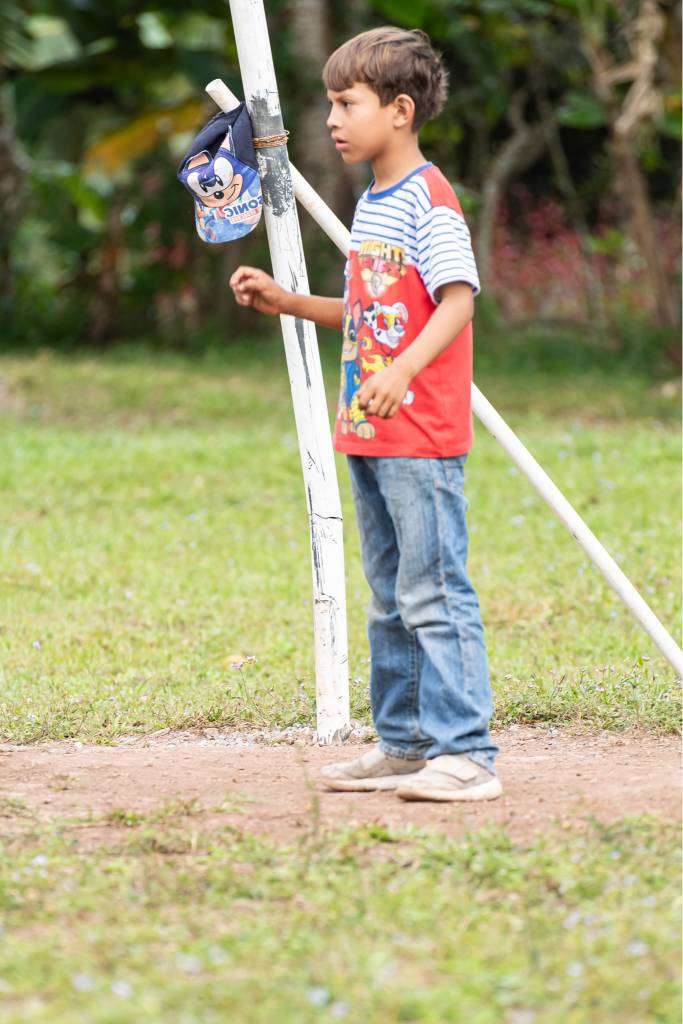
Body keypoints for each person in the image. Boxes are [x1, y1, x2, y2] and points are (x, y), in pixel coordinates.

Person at [229, 26, 501, 802]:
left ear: (401, 110)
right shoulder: (376, 202)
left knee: (433, 592)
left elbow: (458, 299)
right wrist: (286, 302)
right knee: (389, 599)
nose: (333, 120)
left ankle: (467, 755)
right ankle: (407, 745)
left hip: (418, 433)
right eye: (330, 103)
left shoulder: (429, 199)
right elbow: (365, 311)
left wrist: (406, 371)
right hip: (369, 430)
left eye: (347, 103)